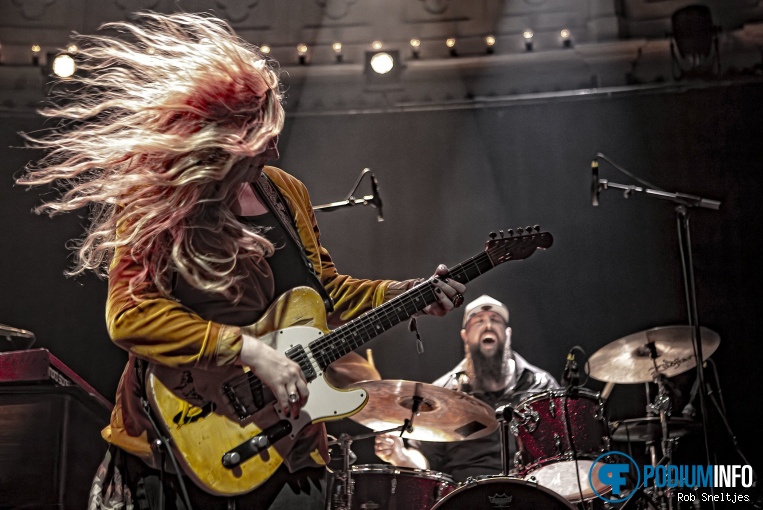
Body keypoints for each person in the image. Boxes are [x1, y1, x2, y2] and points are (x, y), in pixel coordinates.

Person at [16, 12, 466, 510]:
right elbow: (130, 316)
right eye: (258, 134)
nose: (275, 145)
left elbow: (323, 293)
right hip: (181, 438)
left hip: (290, 447)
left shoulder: (286, 193)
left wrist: (404, 296)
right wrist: (250, 352)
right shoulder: (158, 202)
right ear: (215, 142)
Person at [374, 294, 557, 482]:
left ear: (508, 333)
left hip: (530, 490)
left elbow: (562, 449)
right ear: (465, 336)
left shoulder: (540, 384)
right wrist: (400, 456)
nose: (488, 326)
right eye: (478, 321)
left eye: (495, 320)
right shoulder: (443, 393)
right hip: (466, 494)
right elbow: (425, 460)